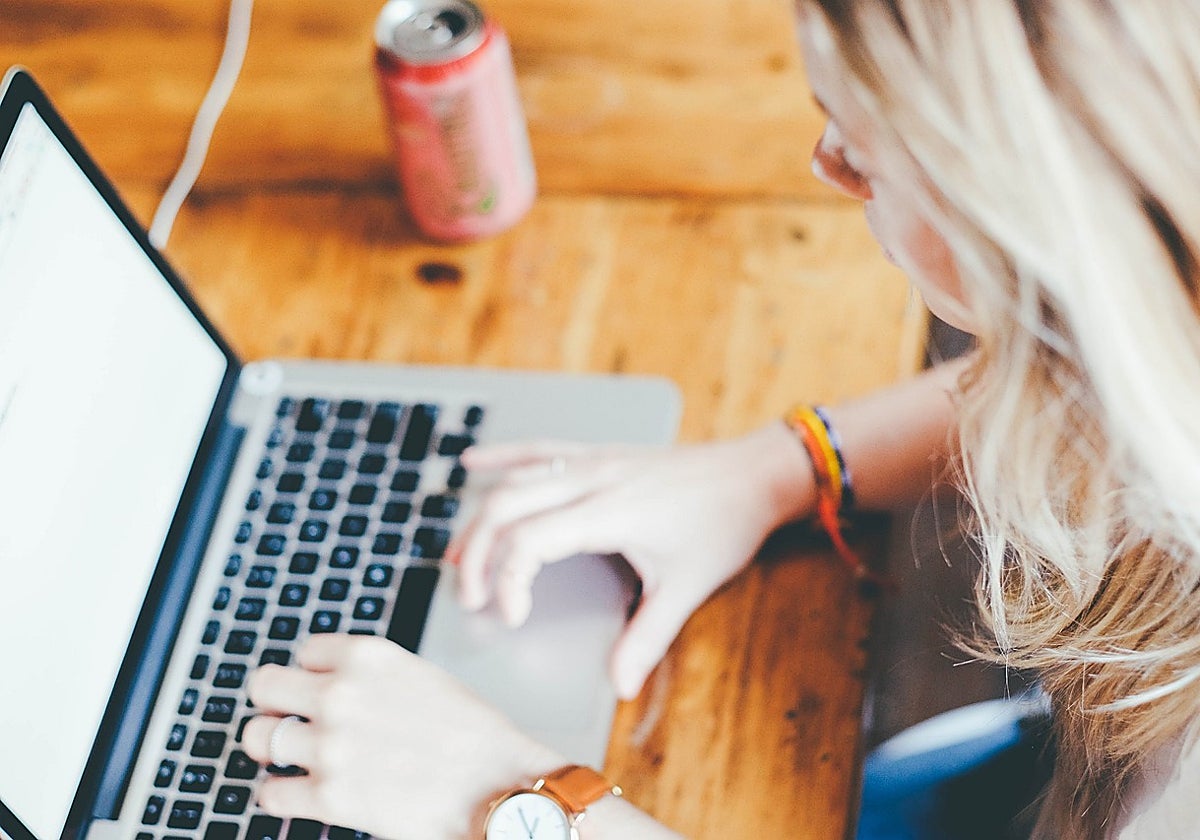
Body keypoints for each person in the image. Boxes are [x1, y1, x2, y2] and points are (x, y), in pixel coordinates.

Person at [239, 1, 1200, 837]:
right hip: (1043, 768)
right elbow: (1093, 367)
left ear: (1014, 223)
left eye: (861, 153)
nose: (824, 167)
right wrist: (780, 468)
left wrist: (493, 800)